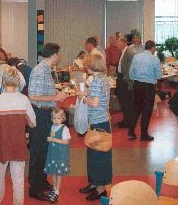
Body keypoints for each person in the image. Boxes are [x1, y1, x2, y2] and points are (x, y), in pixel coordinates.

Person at [0, 66, 36, 205]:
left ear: (3, 83)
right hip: (19, 145)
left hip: (2, 145)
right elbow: (32, 122)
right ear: (18, 82)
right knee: (18, 180)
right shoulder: (24, 100)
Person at [27, 43, 68, 201]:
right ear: (54, 55)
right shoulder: (39, 71)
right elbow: (33, 97)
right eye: (59, 53)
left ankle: (41, 181)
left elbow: (43, 91)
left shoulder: (46, 69)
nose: (60, 56)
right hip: (40, 114)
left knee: (45, 150)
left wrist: (56, 93)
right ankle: (34, 188)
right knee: (38, 151)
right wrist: (55, 98)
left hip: (46, 113)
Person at [77, 53, 112, 201]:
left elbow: (95, 103)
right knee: (93, 156)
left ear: (92, 66)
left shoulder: (97, 82)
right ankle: (93, 183)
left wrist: (82, 97)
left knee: (98, 157)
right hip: (100, 121)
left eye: (87, 64)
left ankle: (100, 188)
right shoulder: (102, 79)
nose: (85, 67)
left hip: (99, 123)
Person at [129, 40, 162, 141]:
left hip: (137, 85)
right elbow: (159, 76)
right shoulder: (155, 59)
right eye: (155, 48)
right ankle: (143, 135)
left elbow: (131, 73)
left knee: (136, 108)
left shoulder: (136, 57)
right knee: (146, 110)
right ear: (152, 48)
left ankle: (131, 130)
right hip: (148, 86)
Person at [44, 108, 71, 203]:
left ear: (62, 118)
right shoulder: (52, 127)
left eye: (58, 118)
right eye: (54, 118)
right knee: (53, 172)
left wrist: (53, 140)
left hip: (60, 154)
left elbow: (66, 141)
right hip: (53, 153)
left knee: (58, 173)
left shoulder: (64, 128)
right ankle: (54, 188)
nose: (56, 120)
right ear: (51, 119)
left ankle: (57, 191)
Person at [116, 37, 135, 128]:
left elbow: (131, 70)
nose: (117, 45)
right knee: (123, 101)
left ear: (123, 43)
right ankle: (126, 119)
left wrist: (124, 80)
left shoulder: (129, 53)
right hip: (121, 78)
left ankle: (129, 121)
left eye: (118, 43)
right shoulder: (123, 52)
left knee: (127, 102)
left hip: (126, 81)